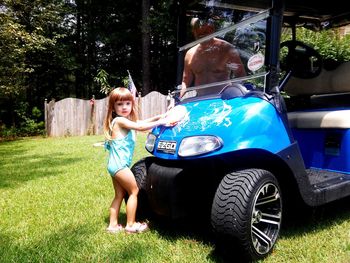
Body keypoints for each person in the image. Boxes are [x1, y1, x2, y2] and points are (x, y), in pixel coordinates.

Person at [103, 87, 173, 234]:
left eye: (127, 103)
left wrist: (160, 116)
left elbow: (141, 121)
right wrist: (164, 121)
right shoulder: (120, 121)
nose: (124, 107)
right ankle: (131, 224)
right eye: (120, 104)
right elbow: (140, 126)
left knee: (119, 195)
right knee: (134, 191)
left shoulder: (122, 121)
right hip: (120, 167)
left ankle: (113, 225)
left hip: (114, 166)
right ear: (113, 107)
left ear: (131, 104)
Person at [180, 17, 246, 98]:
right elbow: (185, 81)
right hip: (200, 100)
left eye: (205, 32)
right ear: (193, 32)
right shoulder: (190, 54)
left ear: (212, 30)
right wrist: (176, 99)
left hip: (223, 99)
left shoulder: (227, 49)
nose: (201, 35)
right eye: (198, 33)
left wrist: (236, 95)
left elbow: (240, 74)